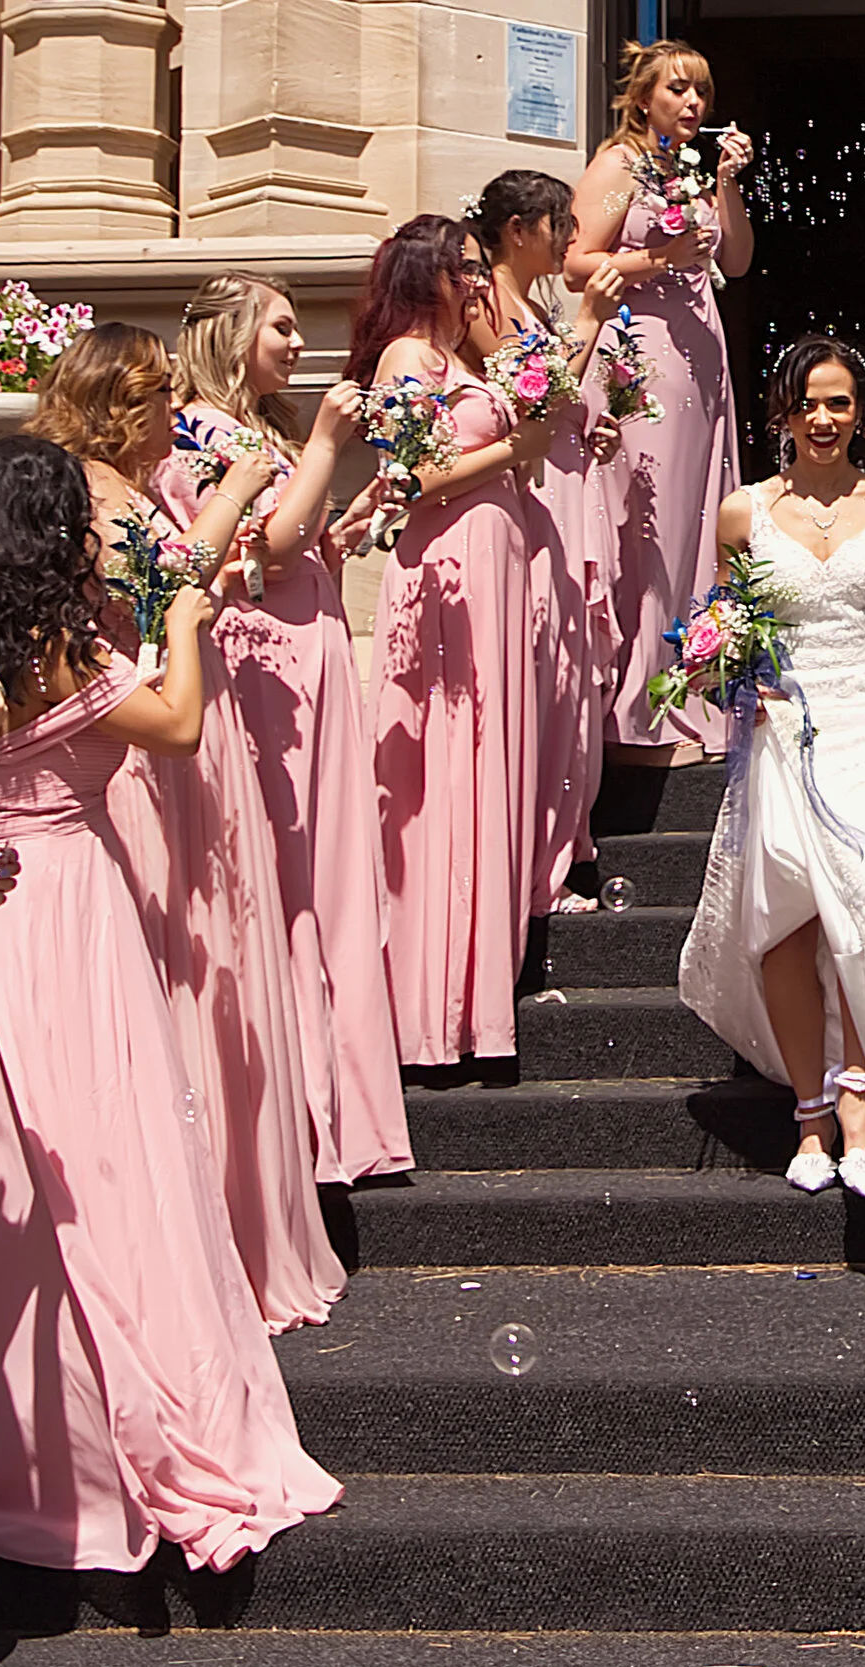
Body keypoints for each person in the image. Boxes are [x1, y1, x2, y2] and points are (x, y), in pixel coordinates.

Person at [0, 434, 342, 1576]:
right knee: (114, 1158)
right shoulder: (64, 643)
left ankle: (35, 1446)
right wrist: (182, 629)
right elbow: (174, 727)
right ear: (53, 532)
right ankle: (151, 1432)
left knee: (10, 1160)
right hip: (70, 906)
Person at [31, 323, 346, 1332]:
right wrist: (241, 488)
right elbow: (159, 588)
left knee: (217, 969)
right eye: (159, 393)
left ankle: (230, 1229)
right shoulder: (84, 492)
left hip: (191, 738)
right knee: (179, 969)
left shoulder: (130, 486)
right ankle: (188, 1238)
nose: (174, 408)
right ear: (117, 400)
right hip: (143, 749)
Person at [679, 337, 865, 1193]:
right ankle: (812, 1111)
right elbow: (724, 630)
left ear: (860, 413)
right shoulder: (743, 513)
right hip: (782, 723)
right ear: (782, 412)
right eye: (808, 401)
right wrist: (723, 668)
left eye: (839, 402)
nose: (823, 418)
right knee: (790, 916)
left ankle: (859, 1097)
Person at [166, 271, 416, 1187]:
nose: (296, 341)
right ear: (231, 334)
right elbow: (259, 545)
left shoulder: (252, 432)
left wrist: (342, 520)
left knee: (329, 872)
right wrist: (323, 444)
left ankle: (342, 1113)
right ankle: (303, 1113)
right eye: (279, 326)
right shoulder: (194, 428)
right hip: (263, 664)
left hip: (305, 646)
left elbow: (294, 540)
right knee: (291, 871)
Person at [347, 214, 557, 1070]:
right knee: (447, 769)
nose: (478, 280)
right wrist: (515, 444)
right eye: (464, 267)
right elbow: (413, 478)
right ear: (424, 273)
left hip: (496, 563)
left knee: (489, 765)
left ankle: (479, 992)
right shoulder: (407, 357)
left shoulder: (466, 359)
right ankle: (432, 1007)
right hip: (450, 572)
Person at [569, 40, 755, 759]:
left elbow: (734, 259)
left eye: (701, 93)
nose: (693, 104)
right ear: (643, 98)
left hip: (700, 355)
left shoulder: (690, 170)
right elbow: (577, 261)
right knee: (651, 525)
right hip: (642, 354)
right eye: (678, 90)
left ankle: (688, 686)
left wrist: (727, 185)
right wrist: (654, 260)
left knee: (697, 523)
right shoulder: (621, 164)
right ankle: (634, 704)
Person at [466, 172, 629, 918]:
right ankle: (537, 867)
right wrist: (592, 324)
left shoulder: (535, 304)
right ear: (521, 228)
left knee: (573, 673)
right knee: (547, 671)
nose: (572, 236)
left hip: (569, 481)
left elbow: (559, 400)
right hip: (535, 497)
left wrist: (593, 422)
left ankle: (563, 849)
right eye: (560, 222)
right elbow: (525, 399)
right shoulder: (487, 304)